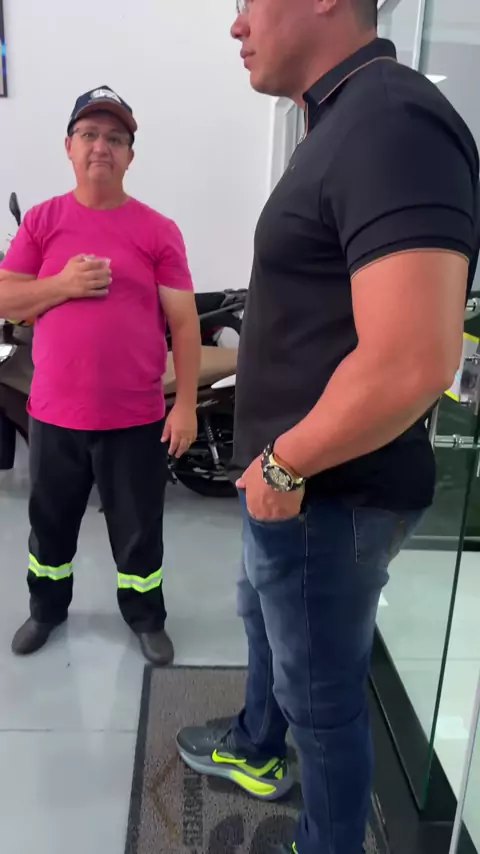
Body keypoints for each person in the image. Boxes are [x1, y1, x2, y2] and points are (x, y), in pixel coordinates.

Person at [176, 1, 479, 853]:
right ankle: (256, 749)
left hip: (325, 492)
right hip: (289, 484)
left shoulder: (392, 120)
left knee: (322, 699)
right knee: (263, 623)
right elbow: (323, 325)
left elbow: (414, 358)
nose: (237, 26)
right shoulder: (339, 120)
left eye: (248, 2)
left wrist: (283, 467)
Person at [0, 86, 200, 665]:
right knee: (49, 527)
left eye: (115, 138)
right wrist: (62, 285)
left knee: (139, 532)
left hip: (135, 417)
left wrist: (186, 405)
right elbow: (6, 298)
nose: (101, 147)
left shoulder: (158, 230)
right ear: (69, 146)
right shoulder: (43, 222)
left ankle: (145, 617)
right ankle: (46, 611)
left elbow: (185, 323)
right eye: (89, 134)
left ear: (130, 155)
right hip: (55, 414)